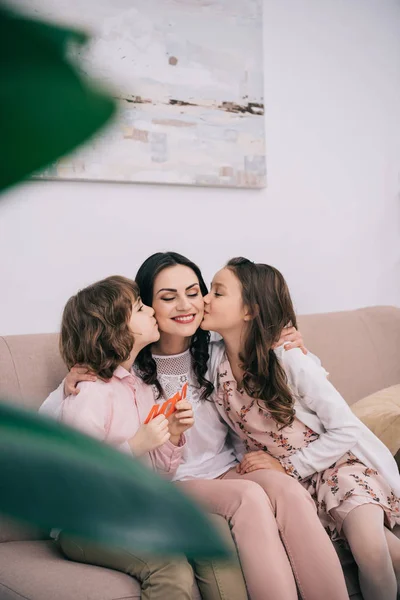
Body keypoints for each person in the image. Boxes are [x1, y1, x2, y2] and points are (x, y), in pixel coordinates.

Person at [44, 252, 349, 600]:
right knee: (249, 497)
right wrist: (69, 381)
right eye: (167, 297)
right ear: (145, 307)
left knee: (287, 489)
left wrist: (292, 345)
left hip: (221, 469)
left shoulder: (217, 349)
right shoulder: (129, 368)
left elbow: (287, 369)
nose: (185, 305)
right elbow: (68, 420)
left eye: (193, 292)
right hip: (171, 481)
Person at [203, 257, 400, 600]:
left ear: (249, 310)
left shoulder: (288, 358)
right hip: (293, 487)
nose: (205, 299)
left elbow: (345, 429)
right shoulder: (212, 361)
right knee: (390, 553)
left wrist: (290, 466)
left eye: (217, 292)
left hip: (337, 467)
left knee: (370, 548)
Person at [40, 275, 205, 600]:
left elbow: (159, 474)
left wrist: (171, 436)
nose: (152, 313)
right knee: (169, 566)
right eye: (141, 308)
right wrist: (135, 446)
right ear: (114, 329)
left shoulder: (141, 389)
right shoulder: (90, 394)